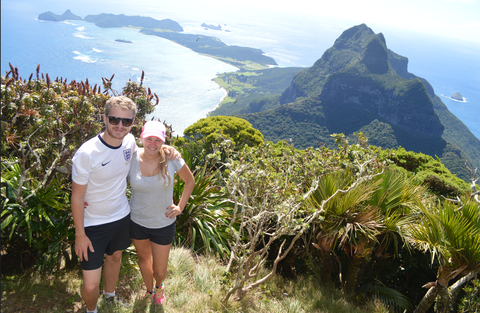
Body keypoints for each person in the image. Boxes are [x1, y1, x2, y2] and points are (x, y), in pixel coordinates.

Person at [71, 96, 178, 313]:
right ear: (104, 118)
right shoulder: (87, 153)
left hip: (121, 217)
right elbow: (77, 197)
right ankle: (92, 310)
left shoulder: (129, 142)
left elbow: (149, 150)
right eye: (114, 119)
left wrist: (168, 149)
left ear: (132, 124)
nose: (120, 126)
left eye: (126, 122)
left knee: (116, 256)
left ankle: (109, 297)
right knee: (90, 284)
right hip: (93, 224)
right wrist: (80, 235)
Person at [128, 120, 194, 305]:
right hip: (137, 220)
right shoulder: (131, 157)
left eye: (158, 140)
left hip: (163, 223)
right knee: (143, 259)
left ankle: (159, 285)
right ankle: (150, 291)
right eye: (149, 139)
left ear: (163, 141)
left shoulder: (171, 158)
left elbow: (190, 181)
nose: (153, 144)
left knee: (160, 269)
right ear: (141, 138)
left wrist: (180, 207)